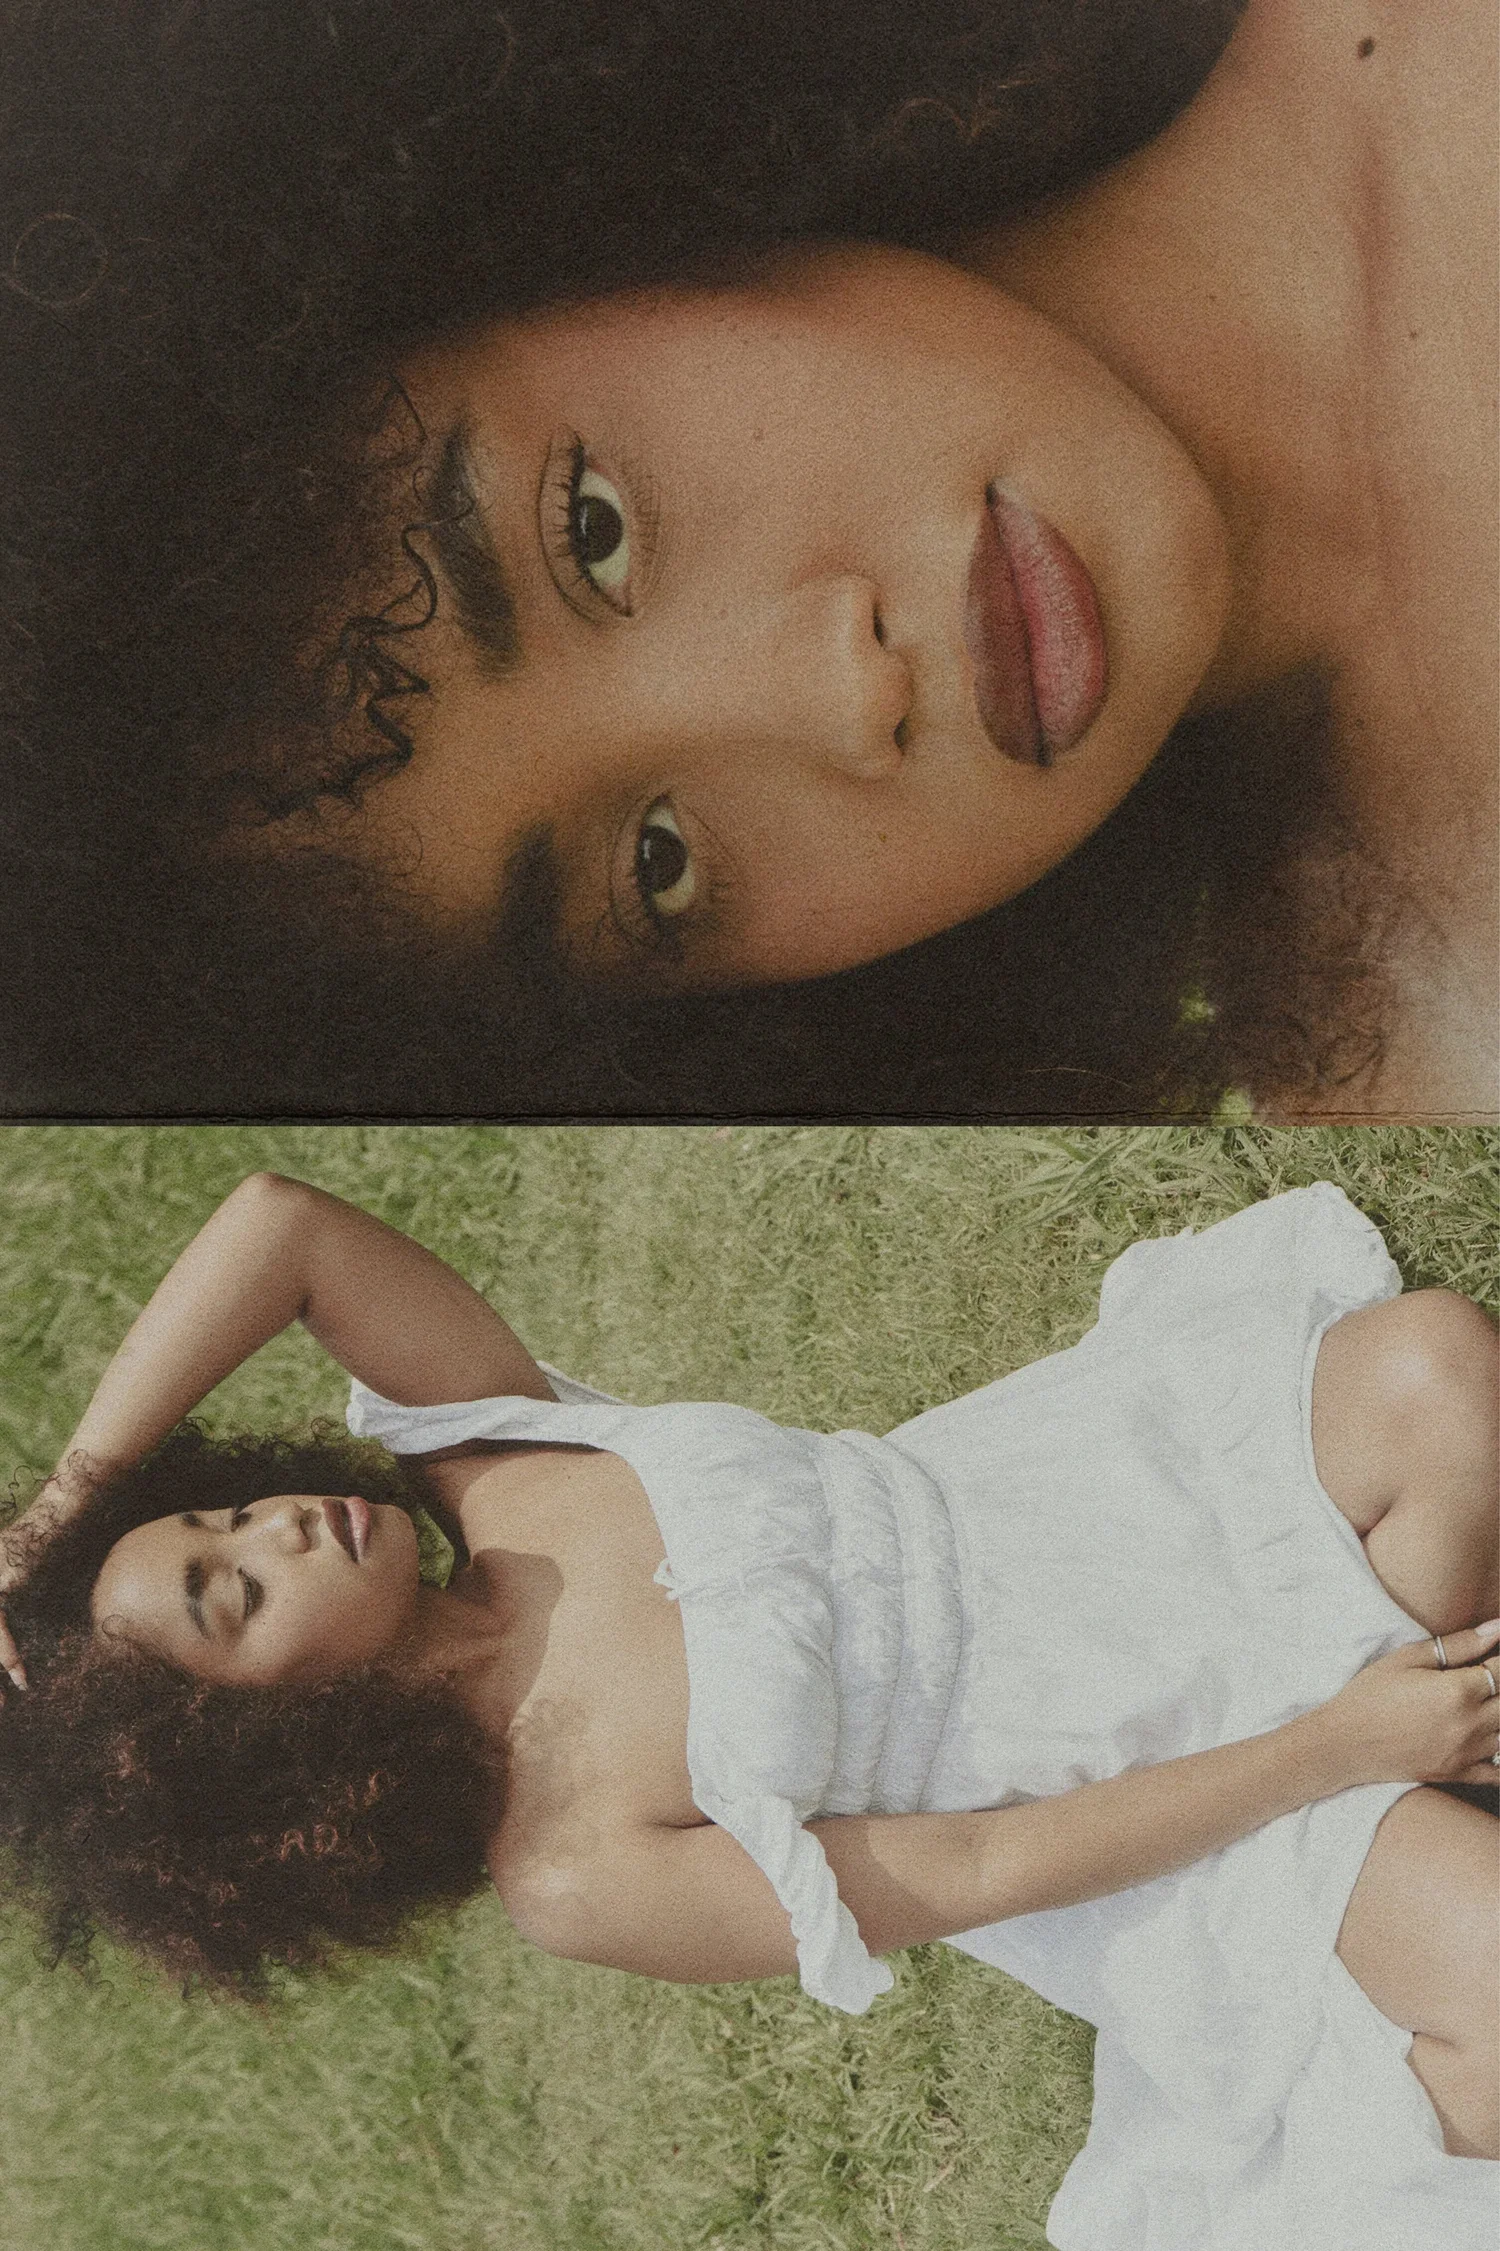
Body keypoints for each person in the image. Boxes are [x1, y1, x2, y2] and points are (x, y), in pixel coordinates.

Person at [2, 1, 1494, 1120]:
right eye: (656, 870)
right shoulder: (1416, 1072)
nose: (838, 695)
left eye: (590, 528)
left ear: (575, 216)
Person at [0, 1173, 1495, 2248]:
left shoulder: (499, 1457)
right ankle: (1408, 1807)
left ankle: (1426, 1759)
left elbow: (282, 1224)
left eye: (229, 1511)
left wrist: (69, 1507)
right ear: (267, 1751)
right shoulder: (574, 1867)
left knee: (1442, 1376)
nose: (279, 1528)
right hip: (1146, 1816)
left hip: (1114, 1507)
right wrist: (1327, 1752)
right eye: (232, 1593)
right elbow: (981, 1871)